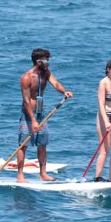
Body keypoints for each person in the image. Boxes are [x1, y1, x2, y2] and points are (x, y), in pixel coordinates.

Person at [17, 48, 73, 182]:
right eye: (47, 60)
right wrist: (33, 120)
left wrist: (64, 91)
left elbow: (56, 83)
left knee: (42, 144)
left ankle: (43, 174)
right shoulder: (26, 78)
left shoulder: (46, 73)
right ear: (39, 61)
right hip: (28, 114)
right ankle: (20, 176)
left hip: (41, 113)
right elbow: (25, 101)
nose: (49, 62)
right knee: (23, 145)